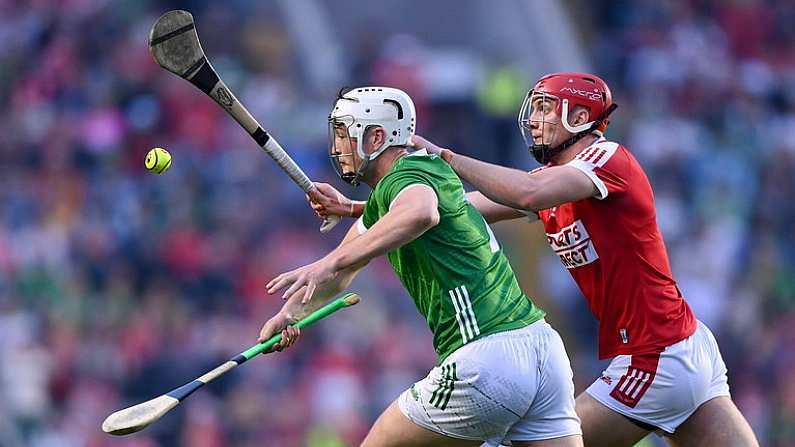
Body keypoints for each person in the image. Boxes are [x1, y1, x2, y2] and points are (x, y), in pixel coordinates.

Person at [310, 73, 759, 447]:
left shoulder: (604, 158)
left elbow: (527, 192)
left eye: (547, 109)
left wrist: (444, 157)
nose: (536, 120)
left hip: (653, 356)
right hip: (682, 346)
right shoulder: (556, 181)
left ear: (580, 118)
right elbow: (458, 209)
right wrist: (351, 208)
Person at [259, 86, 583, 447]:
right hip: (543, 350)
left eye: (344, 132)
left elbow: (419, 213)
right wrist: (290, 314)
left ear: (376, 137)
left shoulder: (404, 177)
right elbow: (345, 268)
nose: (337, 146)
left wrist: (326, 261)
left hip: (486, 356)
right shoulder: (425, 175)